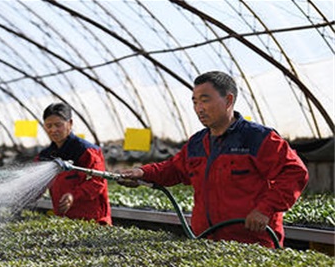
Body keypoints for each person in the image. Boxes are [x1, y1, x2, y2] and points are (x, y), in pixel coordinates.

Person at [119, 71, 308, 248]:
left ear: (228, 100)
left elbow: (294, 172)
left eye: (205, 100)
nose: (198, 109)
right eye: (195, 102)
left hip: (252, 242)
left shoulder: (258, 138)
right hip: (206, 241)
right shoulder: (197, 142)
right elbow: (174, 169)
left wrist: (265, 209)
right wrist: (143, 173)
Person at [37, 102, 112, 225]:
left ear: (70, 124)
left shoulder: (87, 151)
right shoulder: (46, 155)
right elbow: (37, 184)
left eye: (58, 125)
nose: (53, 130)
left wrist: (73, 195)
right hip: (64, 220)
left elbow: (97, 182)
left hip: (93, 220)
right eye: (48, 126)